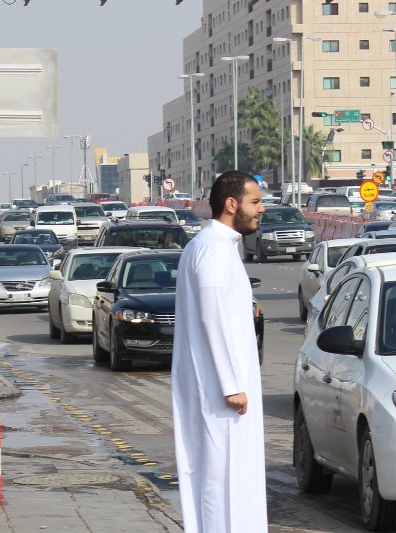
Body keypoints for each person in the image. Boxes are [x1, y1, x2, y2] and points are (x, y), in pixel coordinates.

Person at [171, 170, 267, 533]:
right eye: (255, 202)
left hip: (225, 389)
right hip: (221, 392)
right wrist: (231, 385)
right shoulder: (211, 250)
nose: (261, 209)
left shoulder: (218, 247)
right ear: (231, 204)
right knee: (219, 478)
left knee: (235, 477)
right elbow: (212, 319)